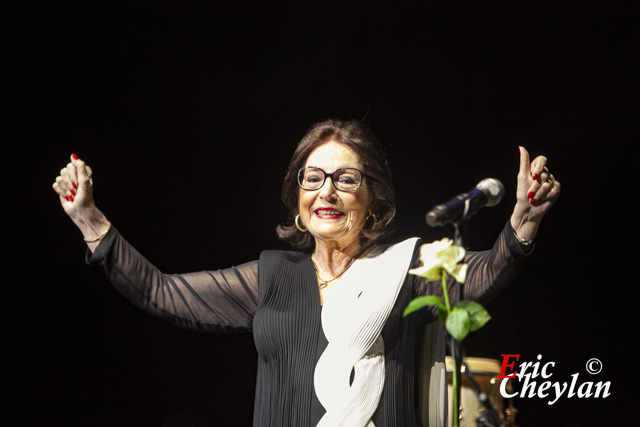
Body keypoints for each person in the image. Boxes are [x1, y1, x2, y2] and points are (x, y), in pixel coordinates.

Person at [52, 119, 560, 426]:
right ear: (298, 199)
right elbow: (162, 291)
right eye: (312, 178)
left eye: (346, 179)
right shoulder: (270, 276)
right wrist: (90, 219)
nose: (327, 191)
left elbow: (482, 275)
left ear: (373, 200)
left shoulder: (406, 268)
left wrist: (523, 223)